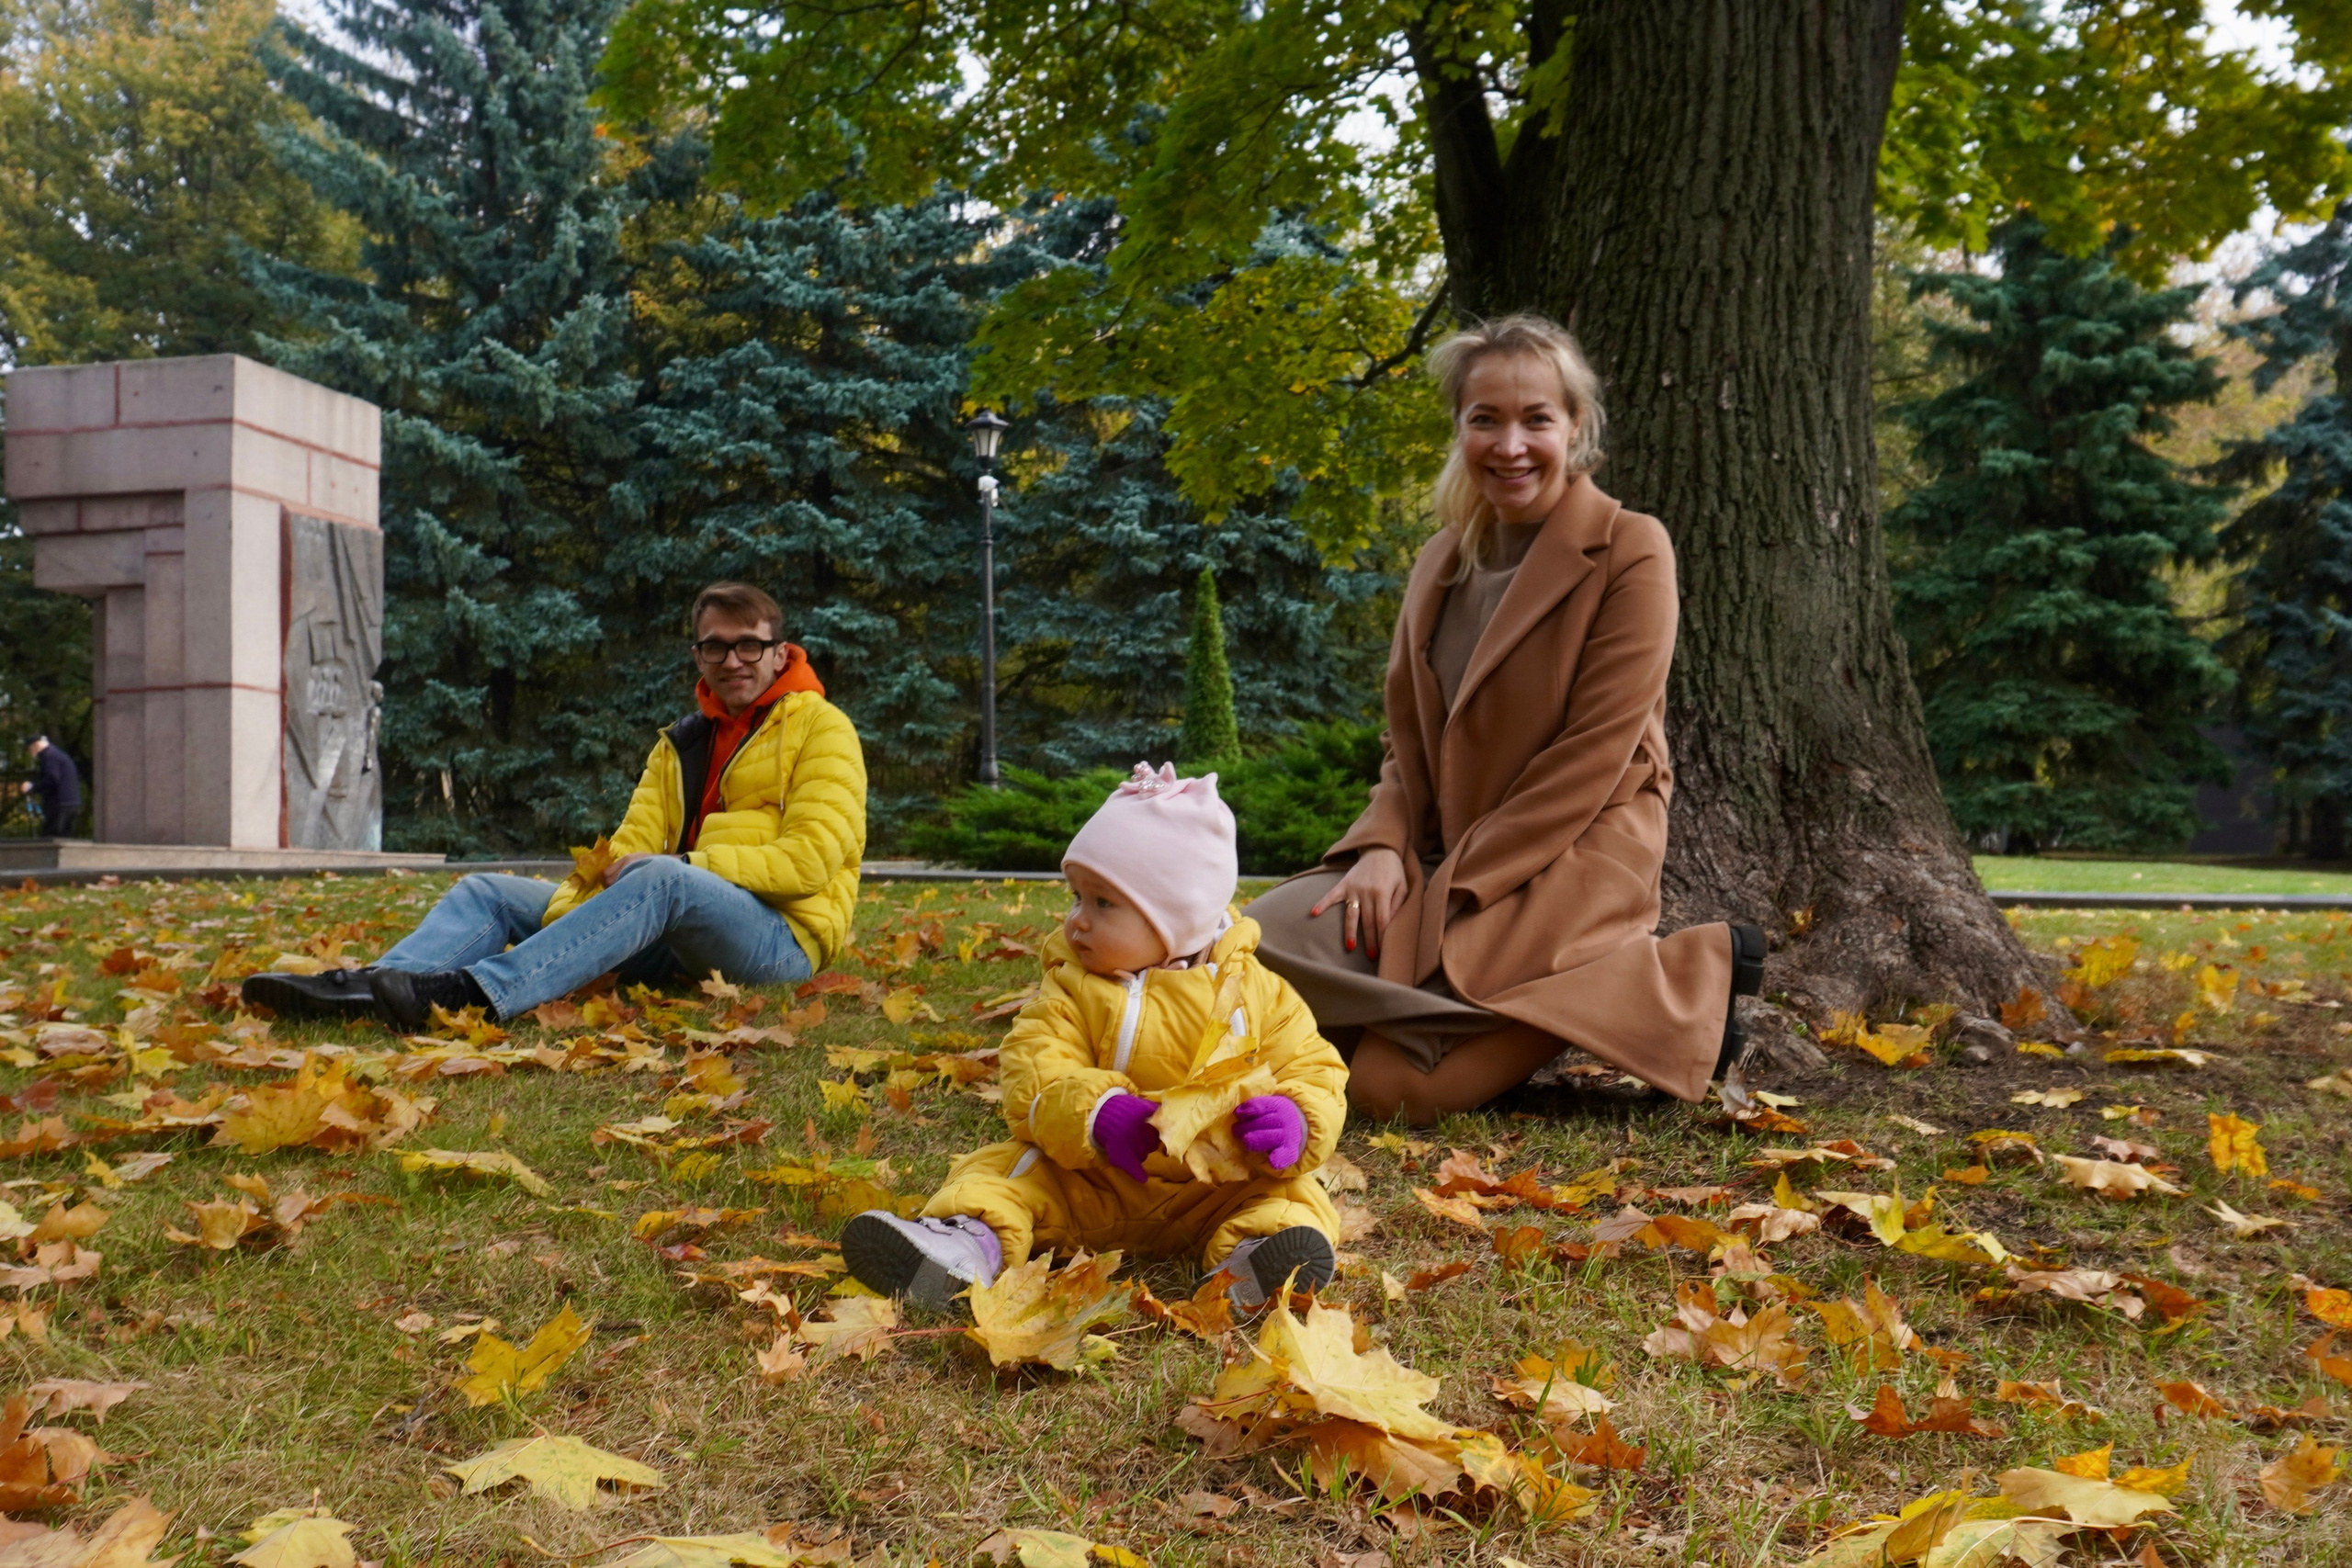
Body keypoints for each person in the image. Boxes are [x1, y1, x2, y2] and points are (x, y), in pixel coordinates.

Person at [1243, 315, 1764, 1124]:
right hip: (1437, 851)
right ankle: (1482, 998)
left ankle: (1684, 983)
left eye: (1537, 419)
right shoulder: (1441, 559)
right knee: (1247, 946)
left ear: (1576, 427)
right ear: (1460, 428)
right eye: (1486, 418)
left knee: (1387, 1090)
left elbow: (1595, 753)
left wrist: (1452, 890)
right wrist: (1382, 844)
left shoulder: (1632, 548)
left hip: (1574, 852)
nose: (1510, 444)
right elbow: (1404, 741)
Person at [840, 763, 1349, 1313]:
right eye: (1076, 896)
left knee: (1293, 1195)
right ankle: (965, 1246)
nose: (1076, 921)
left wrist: (1297, 1120)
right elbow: (1035, 1068)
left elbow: (1314, 1068)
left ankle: (1261, 1256)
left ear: (1178, 917)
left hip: (1214, 1187)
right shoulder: (1071, 987)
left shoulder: (1259, 994)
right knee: (1005, 1170)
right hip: (1092, 1176)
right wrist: (1096, 1113)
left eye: (1102, 903)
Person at [243, 581, 866, 1027]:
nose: (733, 660)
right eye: (716, 646)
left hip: (782, 942)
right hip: (676, 926)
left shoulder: (823, 728)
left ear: (780, 652)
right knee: (486, 891)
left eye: (749, 646)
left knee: (664, 876)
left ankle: (476, 995)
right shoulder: (681, 744)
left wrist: (684, 868)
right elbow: (623, 854)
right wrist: (575, 911)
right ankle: (373, 986)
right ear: (698, 655)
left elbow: (810, 861)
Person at [20, 736, 81, 837]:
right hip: (70, 802)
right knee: (65, 838)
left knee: (51, 839)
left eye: (29, 749)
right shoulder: (57, 754)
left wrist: (32, 787)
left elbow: (52, 779)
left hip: (59, 804)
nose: (30, 753)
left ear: (36, 745)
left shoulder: (49, 756)